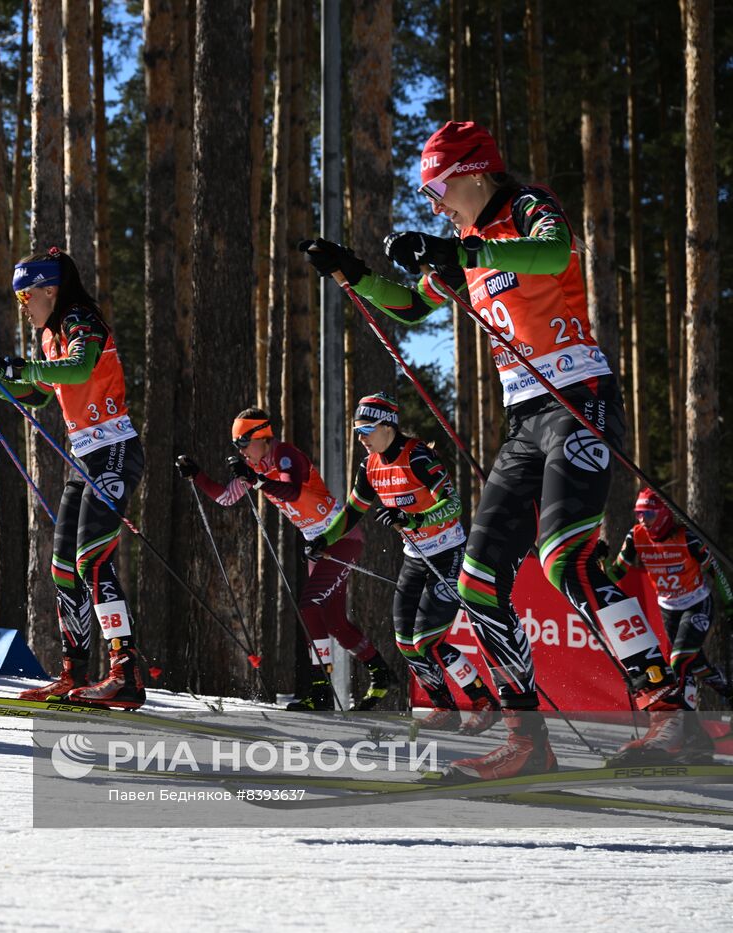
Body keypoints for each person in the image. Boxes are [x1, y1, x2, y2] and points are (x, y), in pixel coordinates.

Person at [301, 120, 686, 777]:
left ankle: (668, 713)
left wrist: (467, 257)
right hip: (523, 419)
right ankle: (526, 741)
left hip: (577, 400)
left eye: (438, 190)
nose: (436, 207)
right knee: (476, 582)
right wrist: (354, 274)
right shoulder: (467, 241)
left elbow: (553, 251)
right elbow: (413, 307)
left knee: (567, 556)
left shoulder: (526, 207)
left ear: (475, 173)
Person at [0, 247, 145, 710]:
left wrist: (8, 367)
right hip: (85, 460)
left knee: (91, 561)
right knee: (64, 567)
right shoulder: (48, 337)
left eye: (26, 296)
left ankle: (126, 672)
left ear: (50, 290)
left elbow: (79, 368)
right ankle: (73, 672)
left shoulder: (81, 320)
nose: (23, 306)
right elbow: (40, 395)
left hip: (115, 450)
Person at [176, 408, 395, 711]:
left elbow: (291, 492)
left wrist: (256, 480)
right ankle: (381, 673)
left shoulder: (284, 454)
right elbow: (226, 498)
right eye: (236, 446)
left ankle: (320, 689)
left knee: (309, 606)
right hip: (318, 547)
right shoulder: (255, 466)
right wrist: (196, 475)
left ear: (262, 436)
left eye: (243, 443)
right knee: (333, 621)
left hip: (340, 539)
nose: (240, 451)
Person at [310, 392, 500, 730]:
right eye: (357, 431)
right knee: (405, 642)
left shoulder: (418, 457)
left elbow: (453, 504)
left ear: (388, 426)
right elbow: (353, 511)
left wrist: (413, 519)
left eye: (367, 430)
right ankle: (445, 706)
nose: (362, 438)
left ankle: (483, 700)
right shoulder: (369, 466)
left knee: (426, 639)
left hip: (447, 554)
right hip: (414, 558)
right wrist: (325, 538)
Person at [607, 488, 733, 725]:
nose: (643, 521)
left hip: (696, 604)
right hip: (668, 610)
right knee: (695, 664)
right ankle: (727, 688)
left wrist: (730, 606)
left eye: (649, 515)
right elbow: (616, 574)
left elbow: (716, 571)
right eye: (639, 515)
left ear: (663, 514)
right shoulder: (635, 536)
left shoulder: (687, 537)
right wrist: (600, 561)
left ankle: (683, 726)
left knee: (678, 660)